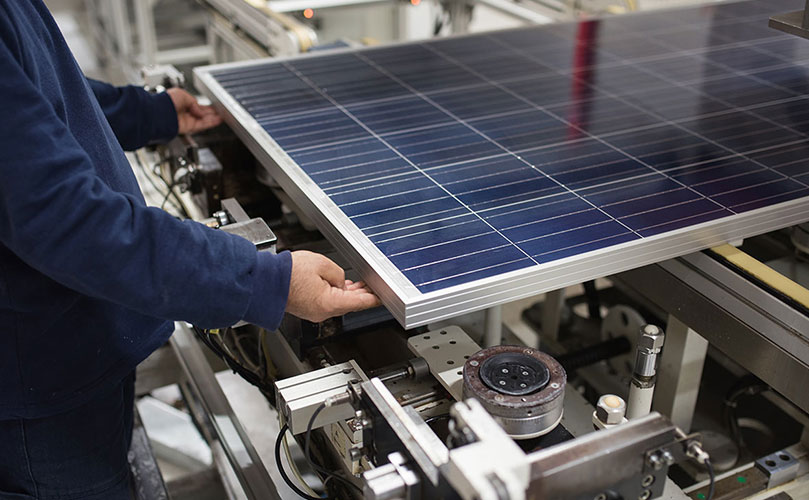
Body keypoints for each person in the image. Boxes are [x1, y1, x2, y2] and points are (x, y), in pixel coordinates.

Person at [0, 2, 380, 499]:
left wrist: (144, 112)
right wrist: (265, 282)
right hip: (39, 378)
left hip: (73, 336)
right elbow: (71, 221)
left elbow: (37, 92)